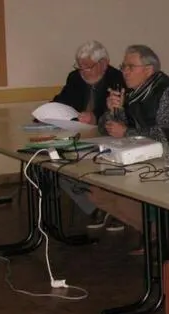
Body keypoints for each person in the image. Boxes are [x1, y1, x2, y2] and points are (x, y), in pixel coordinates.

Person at [88, 45, 169, 235]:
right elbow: (106, 128)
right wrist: (113, 111)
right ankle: (156, 236)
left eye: (130, 67)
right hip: (145, 161)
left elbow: (166, 135)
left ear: (148, 70)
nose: (125, 71)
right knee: (98, 193)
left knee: (122, 198)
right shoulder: (133, 92)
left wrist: (127, 132)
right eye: (123, 66)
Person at [52, 40, 127, 231]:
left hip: (109, 138)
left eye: (88, 66)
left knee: (104, 168)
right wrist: (48, 112)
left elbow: (122, 113)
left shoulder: (118, 79)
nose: (83, 71)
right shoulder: (75, 77)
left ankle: (118, 212)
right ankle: (96, 208)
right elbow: (62, 101)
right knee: (56, 165)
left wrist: (95, 117)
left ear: (103, 63)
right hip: (79, 136)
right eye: (79, 66)